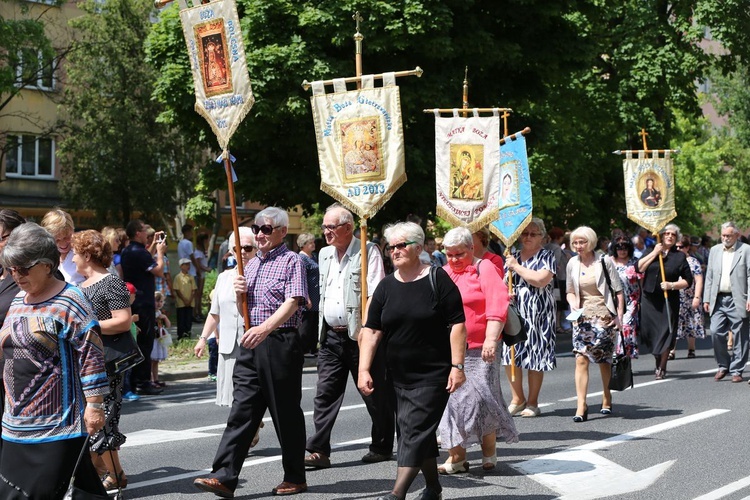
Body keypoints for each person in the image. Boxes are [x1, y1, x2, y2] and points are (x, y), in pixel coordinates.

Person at [194, 207, 308, 497]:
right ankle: (223, 476)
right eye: (257, 228)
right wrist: (240, 292)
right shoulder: (251, 264)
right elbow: (241, 304)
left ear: (282, 231)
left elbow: (294, 301)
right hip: (250, 341)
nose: (259, 234)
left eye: (266, 229)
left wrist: (265, 328)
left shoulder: (291, 260)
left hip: (278, 340)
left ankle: (295, 476)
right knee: (242, 410)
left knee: (285, 413)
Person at [0, 222, 109, 498]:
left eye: (24, 268)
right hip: (15, 423)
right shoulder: (18, 301)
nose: (17, 275)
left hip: (58, 425)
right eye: (12, 268)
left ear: (47, 265)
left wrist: (95, 404)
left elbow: (91, 354)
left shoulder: (71, 300)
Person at [359, 221, 466, 500]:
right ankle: (433, 487)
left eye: (400, 245)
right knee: (415, 430)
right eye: (390, 246)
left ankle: (397, 494)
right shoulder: (385, 287)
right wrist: (363, 369)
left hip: (434, 373)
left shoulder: (437, 278)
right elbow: (371, 330)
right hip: (397, 375)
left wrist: (457, 366)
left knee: (413, 430)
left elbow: (457, 324)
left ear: (418, 248)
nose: (394, 251)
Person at [305, 204, 394, 469]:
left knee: (374, 393)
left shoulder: (368, 250)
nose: (326, 232)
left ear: (348, 227)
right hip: (331, 336)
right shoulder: (323, 254)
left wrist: (370, 332)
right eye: (324, 227)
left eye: (331, 227)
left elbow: (375, 294)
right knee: (325, 394)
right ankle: (319, 450)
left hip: (361, 336)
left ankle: (381, 445)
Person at [437, 227, 518, 475]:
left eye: (458, 254)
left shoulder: (485, 268)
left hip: (482, 348)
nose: (453, 260)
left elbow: (497, 304)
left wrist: (492, 339)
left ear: (471, 248)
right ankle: (457, 457)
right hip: (451, 350)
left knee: (481, 400)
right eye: (449, 255)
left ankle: (489, 452)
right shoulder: (442, 273)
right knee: (453, 402)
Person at [71, 228, 133, 492]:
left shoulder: (110, 281)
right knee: (93, 419)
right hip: (85, 360)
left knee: (102, 419)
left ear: (87, 254)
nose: (72, 258)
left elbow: (123, 320)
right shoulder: (78, 286)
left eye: (75, 253)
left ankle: (115, 473)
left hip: (106, 361)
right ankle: (103, 472)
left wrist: (89, 325)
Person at [566, 226, 624, 421]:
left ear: (590, 242)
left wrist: (619, 316)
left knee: (603, 360)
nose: (578, 246)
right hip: (582, 318)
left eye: (582, 242)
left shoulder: (603, 261)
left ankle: (606, 397)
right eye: (575, 242)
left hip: (604, 316)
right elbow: (570, 290)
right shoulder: (573, 263)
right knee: (580, 359)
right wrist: (572, 303)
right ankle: (581, 405)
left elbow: (618, 290)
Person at [195, 226, 256, 407]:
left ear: (256, 249)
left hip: (252, 344)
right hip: (229, 346)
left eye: (248, 248)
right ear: (231, 251)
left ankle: (250, 430)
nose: (243, 252)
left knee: (250, 400)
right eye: (238, 248)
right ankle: (249, 430)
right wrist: (203, 339)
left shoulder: (261, 274)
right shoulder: (224, 277)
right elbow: (215, 313)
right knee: (232, 399)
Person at [503, 218, 557, 418]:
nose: (527, 237)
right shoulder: (512, 256)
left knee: (536, 357)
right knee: (510, 355)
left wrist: (516, 267)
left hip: (539, 314)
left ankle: (533, 402)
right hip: (515, 312)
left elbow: (541, 280)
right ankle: (517, 399)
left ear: (541, 236)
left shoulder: (546, 255)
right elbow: (501, 283)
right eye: (524, 233)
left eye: (533, 234)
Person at [638, 223, 693, 380]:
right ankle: (657, 357)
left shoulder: (679, 256)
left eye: (673, 235)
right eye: (667, 233)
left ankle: (662, 366)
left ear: (676, 238)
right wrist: (655, 253)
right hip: (649, 298)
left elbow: (688, 280)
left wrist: (672, 285)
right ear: (661, 235)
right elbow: (639, 268)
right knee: (650, 333)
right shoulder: (651, 250)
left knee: (666, 332)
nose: (669, 236)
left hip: (668, 299)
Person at [120, 219, 167, 395]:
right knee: (145, 343)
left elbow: (144, 258)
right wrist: (160, 253)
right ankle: (143, 382)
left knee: (137, 342)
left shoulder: (129, 250)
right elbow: (159, 271)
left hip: (134, 300)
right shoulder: (139, 253)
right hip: (144, 302)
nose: (147, 232)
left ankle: (135, 381)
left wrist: (154, 244)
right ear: (137, 233)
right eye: (144, 230)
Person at [703, 222, 750, 383]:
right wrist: (706, 298)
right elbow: (709, 275)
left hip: (738, 298)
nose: (725, 238)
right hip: (718, 299)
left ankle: (737, 369)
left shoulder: (745, 250)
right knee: (715, 332)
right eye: (723, 235)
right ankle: (723, 365)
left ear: (736, 235)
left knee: (740, 335)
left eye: (729, 235)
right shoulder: (715, 251)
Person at [668, 235, 705, 359]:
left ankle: (691, 349)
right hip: (675, 296)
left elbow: (699, 280)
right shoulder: (671, 260)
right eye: (676, 246)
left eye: (681, 247)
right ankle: (671, 350)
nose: (678, 249)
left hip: (690, 297)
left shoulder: (693, 262)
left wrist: (697, 297)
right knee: (674, 324)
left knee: (691, 323)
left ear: (687, 247)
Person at [609, 236, 642, 358]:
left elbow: (641, 282)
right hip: (612, 300)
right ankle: (614, 354)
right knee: (613, 327)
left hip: (631, 299)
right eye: (619, 248)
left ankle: (624, 354)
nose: (622, 251)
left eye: (625, 248)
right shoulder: (608, 262)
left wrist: (641, 299)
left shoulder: (634, 262)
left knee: (626, 325)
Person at [40, 207, 85, 285]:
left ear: (72, 230)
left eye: (67, 237)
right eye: (57, 240)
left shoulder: (83, 252)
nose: (63, 244)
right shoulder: (44, 256)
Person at [297, 232, 320, 355]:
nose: (313, 244)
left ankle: (312, 347)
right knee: (306, 323)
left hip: (317, 295)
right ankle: (304, 349)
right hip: (309, 294)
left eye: (313, 242)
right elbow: (301, 278)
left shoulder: (314, 256)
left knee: (314, 322)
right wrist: (306, 297)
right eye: (310, 242)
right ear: (303, 244)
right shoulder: (301, 258)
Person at [174, 258, 197, 340]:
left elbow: (194, 289)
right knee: (181, 319)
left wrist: (190, 299)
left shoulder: (191, 277)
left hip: (190, 302)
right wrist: (184, 299)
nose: (188, 266)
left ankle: (188, 333)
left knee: (188, 319)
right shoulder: (178, 277)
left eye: (189, 264)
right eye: (186, 264)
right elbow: (177, 290)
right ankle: (180, 335)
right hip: (181, 302)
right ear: (181, 266)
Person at [152, 291, 171, 387]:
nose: (159, 304)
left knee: (156, 361)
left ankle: (156, 379)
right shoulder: (151, 313)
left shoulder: (160, 313)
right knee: (151, 360)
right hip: (153, 339)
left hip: (159, 338)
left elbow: (168, 325)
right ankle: (151, 380)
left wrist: (165, 318)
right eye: (157, 301)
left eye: (161, 301)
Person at [194, 232, 212, 321]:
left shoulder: (202, 251)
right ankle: (196, 312)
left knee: (200, 294)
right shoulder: (197, 251)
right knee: (198, 294)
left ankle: (199, 312)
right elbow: (198, 263)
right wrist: (206, 268)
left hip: (202, 274)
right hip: (200, 274)